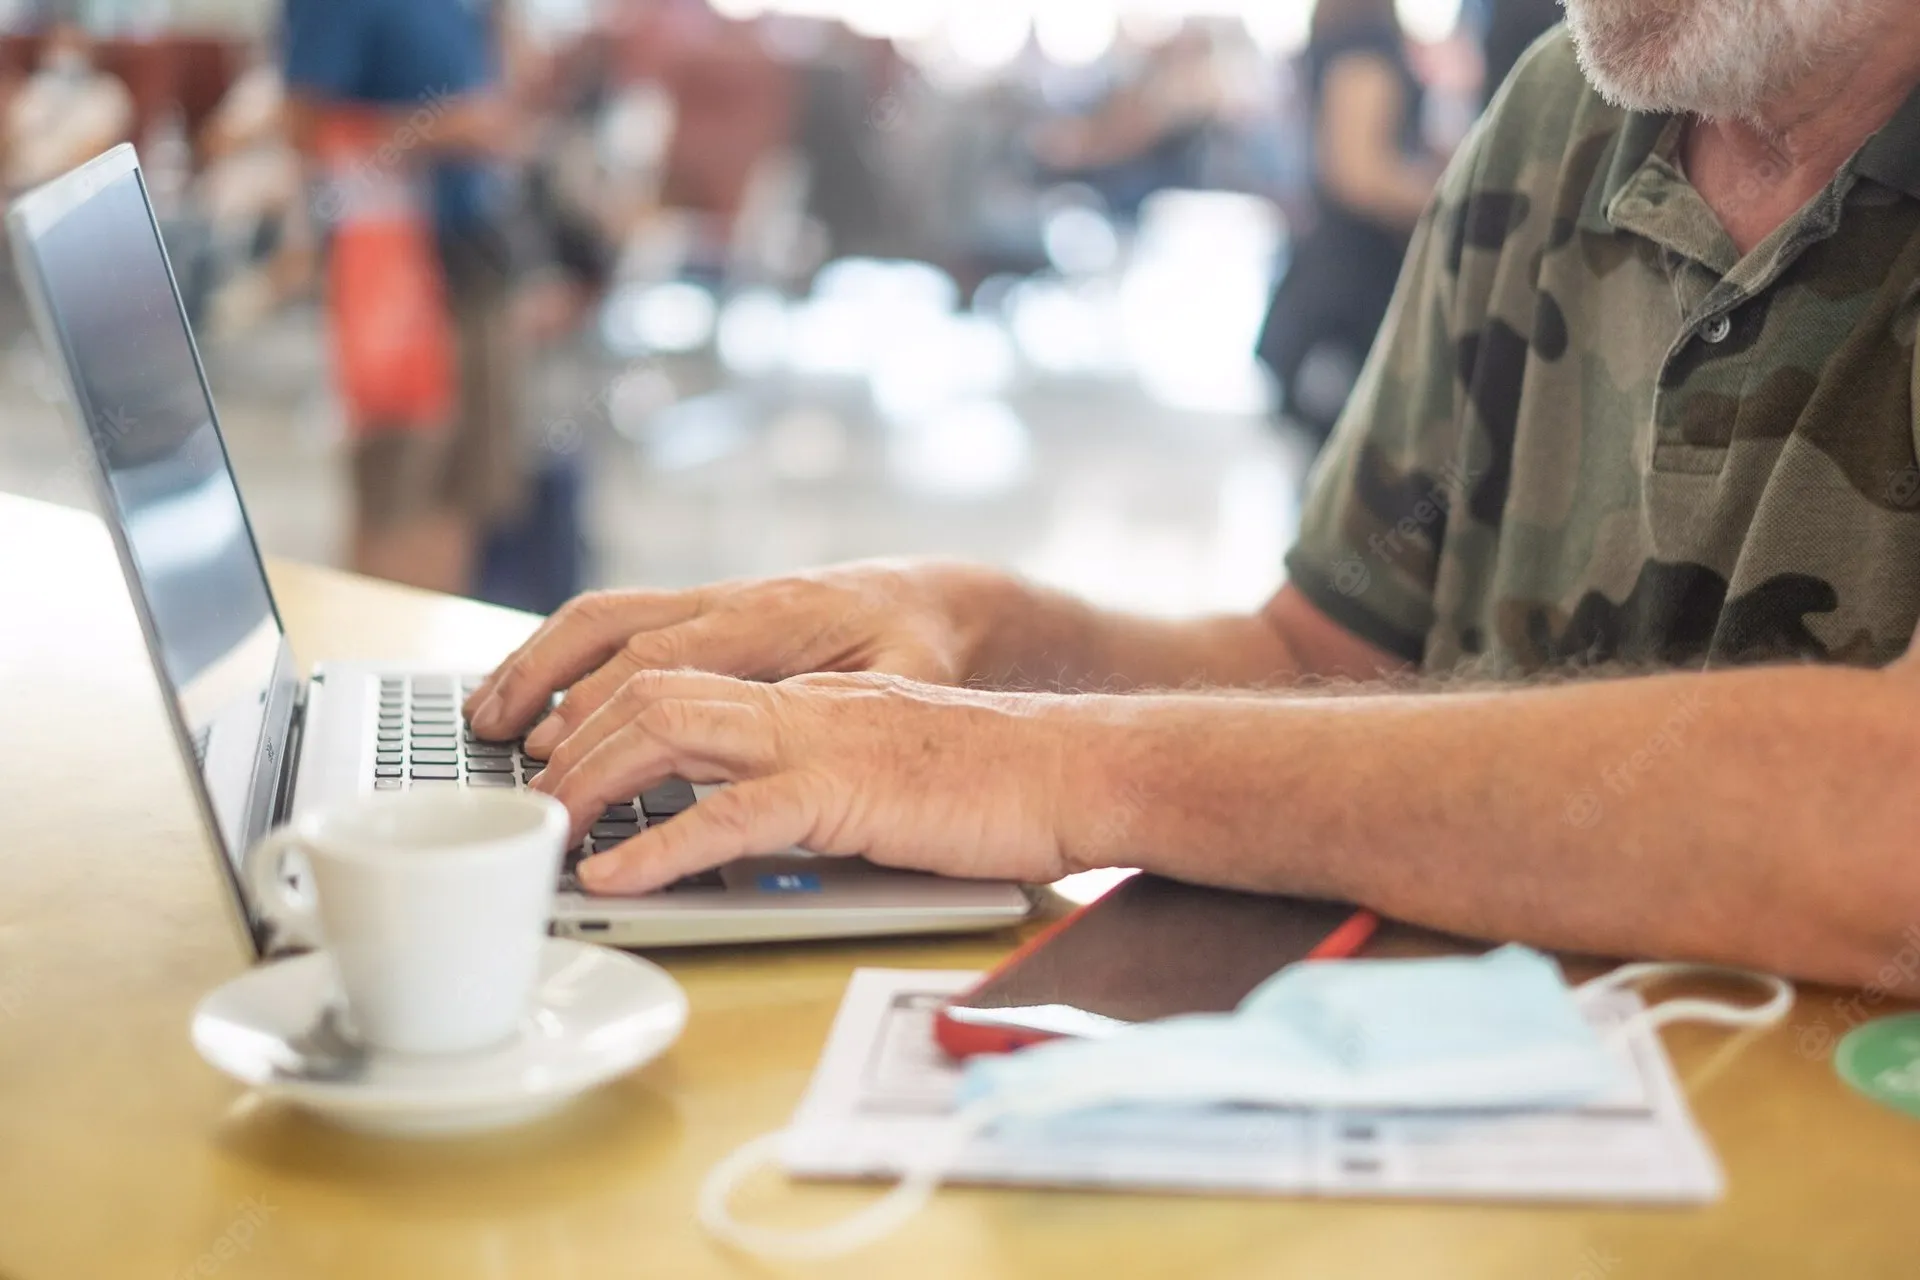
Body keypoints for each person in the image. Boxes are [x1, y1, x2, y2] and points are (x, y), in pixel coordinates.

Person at [466, 0, 1920, 998]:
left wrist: (1058, 773)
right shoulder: (1563, 119)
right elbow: (1326, 658)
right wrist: (967, 631)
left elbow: (1888, 830)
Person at [281, 0, 530, 596]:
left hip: (475, 259)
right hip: (397, 273)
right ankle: (367, 662)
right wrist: (440, 131)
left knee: (463, 491)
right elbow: (304, 124)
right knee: (397, 493)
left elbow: (501, 102)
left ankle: (431, 662)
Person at [1257, 0, 1446, 448]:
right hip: (1353, 280)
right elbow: (1358, 175)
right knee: (1353, 449)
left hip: (1340, 265)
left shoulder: (1340, 41)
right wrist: (1455, 195)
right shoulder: (1362, 49)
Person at [2, 20, 132, 195]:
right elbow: (9, 140)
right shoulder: (31, 91)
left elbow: (96, 152)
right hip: (15, 188)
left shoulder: (107, 93)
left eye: (72, 45)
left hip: (67, 191)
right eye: (57, 45)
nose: (62, 55)